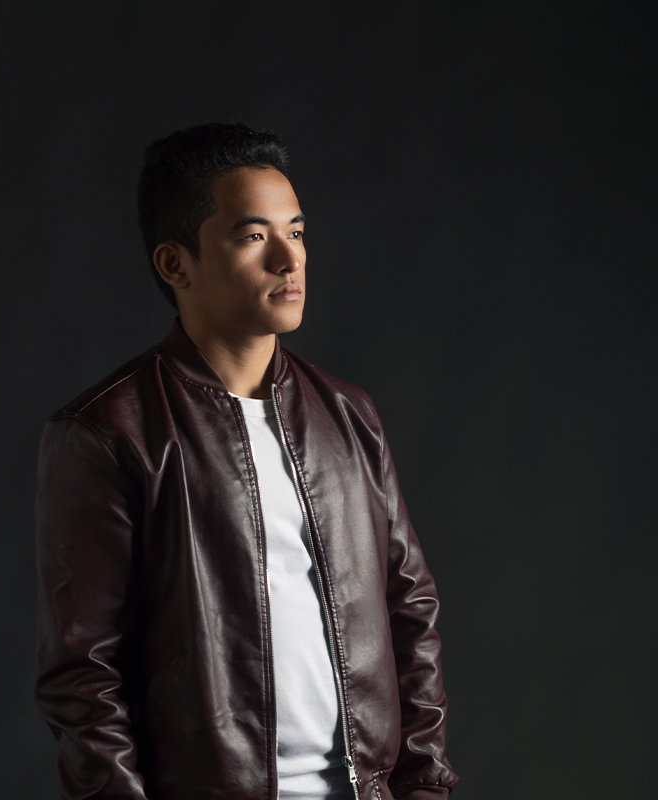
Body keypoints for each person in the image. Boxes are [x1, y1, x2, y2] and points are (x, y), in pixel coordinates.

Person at [35, 122, 458, 800]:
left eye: (297, 231)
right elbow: (85, 677)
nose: (289, 260)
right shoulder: (109, 433)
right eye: (254, 236)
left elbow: (410, 610)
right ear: (175, 264)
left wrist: (425, 787)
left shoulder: (348, 415)